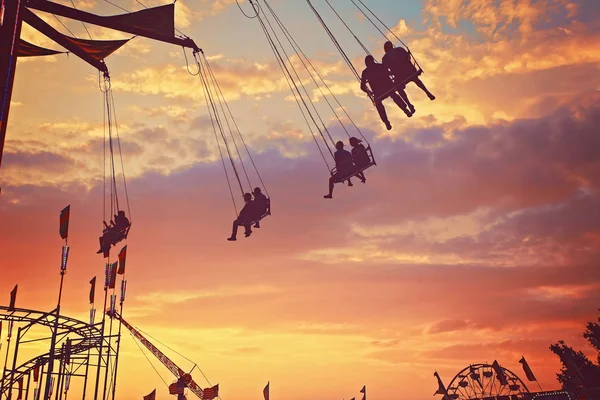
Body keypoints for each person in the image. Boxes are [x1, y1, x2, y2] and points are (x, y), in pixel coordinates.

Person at [360, 55, 412, 131]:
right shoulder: (381, 66)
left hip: (378, 92)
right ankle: (405, 109)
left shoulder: (365, 72)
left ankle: (386, 121)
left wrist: (370, 93)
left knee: (378, 103)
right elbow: (390, 73)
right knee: (394, 95)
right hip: (388, 87)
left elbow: (362, 86)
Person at [382, 41, 435, 105]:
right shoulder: (400, 49)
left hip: (399, 76)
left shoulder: (385, 58)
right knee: (416, 79)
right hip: (409, 71)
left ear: (385, 49)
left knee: (398, 88)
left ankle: (409, 104)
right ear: (392, 46)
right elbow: (408, 58)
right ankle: (428, 93)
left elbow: (385, 71)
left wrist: (392, 73)